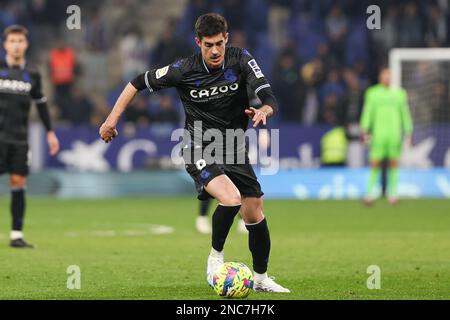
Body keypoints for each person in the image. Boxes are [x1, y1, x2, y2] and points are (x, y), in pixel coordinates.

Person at [100, 13, 289, 293]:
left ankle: (261, 279)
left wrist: (264, 109)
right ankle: (215, 260)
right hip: (198, 144)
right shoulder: (183, 69)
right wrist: (111, 120)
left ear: (227, 39)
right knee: (231, 198)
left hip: (234, 145)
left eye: (219, 44)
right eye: (208, 45)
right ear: (198, 42)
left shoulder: (241, 59)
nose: (215, 51)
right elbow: (136, 83)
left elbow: (268, 94)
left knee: (254, 212)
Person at [0, 25, 60, 248]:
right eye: (12, 41)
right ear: (5, 44)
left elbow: (41, 104)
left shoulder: (32, 74)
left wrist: (50, 132)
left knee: (18, 182)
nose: (16, 45)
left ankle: (16, 235)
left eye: (20, 41)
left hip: (18, 138)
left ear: (26, 44)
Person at [360, 67, 413, 205]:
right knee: (374, 163)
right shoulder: (372, 93)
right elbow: (368, 112)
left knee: (394, 164)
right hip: (378, 134)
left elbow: (404, 113)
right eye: (385, 75)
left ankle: (393, 194)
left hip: (394, 134)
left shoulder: (400, 94)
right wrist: (365, 129)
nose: (387, 78)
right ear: (380, 77)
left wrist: (408, 131)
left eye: (389, 75)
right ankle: (370, 194)